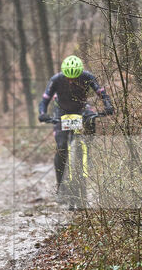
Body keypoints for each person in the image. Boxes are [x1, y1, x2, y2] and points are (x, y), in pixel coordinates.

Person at [38, 54, 113, 193]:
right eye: (69, 77)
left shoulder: (87, 76)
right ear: (64, 73)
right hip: (61, 111)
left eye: (75, 77)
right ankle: (60, 186)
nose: (72, 80)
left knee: (91, 119)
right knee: (61, 147)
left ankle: (87, 150)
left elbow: (101, 92)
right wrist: (42, 113)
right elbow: (44, 100)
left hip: (81, 109)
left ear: (80, 73)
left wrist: (108, 105)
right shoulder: (56, 80)